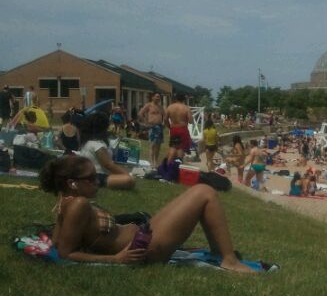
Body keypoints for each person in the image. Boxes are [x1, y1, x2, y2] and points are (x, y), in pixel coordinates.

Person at [38, 155, 256, 273]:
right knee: (205, 192)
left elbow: (58, 243)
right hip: (147, 251)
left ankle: (221, 254)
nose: (97, 182)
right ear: (72, 183)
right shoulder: (78, 205)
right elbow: (66, 252)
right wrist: (116, 259)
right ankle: (229, 260)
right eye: (91, 178)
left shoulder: (67, 203)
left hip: (142, 237)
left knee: (200, 193)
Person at [77, 112, 135, 190]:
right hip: (98, 176)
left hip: (87, 174)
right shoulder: (98, 145)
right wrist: (127, 174)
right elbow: (108, 165)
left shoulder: (87, 142)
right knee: (129, 180)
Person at [138, 93, 165, 168]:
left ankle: (156, 161)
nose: (158, 98)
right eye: (156, 97)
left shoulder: (160, 107)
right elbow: (140, 113)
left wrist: (163, 122)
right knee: (152, 145)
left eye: (159, 97)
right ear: (152, 97)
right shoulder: (149, 105)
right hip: (152, 127)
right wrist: (145, 123)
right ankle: (151, 161)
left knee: (158, 145)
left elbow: (164, 115)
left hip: (159, 127)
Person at [165, 93, 193, 158]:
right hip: (182, 129)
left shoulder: (170, 107)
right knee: (181, 148)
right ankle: (178, 163)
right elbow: (191, 121)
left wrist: (169, 127)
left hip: (173, 129)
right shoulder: (186, 108)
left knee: (173, 147)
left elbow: (165, 119)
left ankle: (168, 163)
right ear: (184, 99)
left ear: (176, 99)